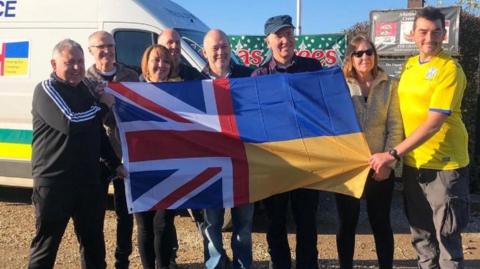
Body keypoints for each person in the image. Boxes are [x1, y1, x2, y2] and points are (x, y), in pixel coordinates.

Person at [370, 7, 470, 269]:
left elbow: (433, 124)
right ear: (412, 34)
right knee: (421, 236)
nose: (430, 38)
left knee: (447, 238)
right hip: (415, 164)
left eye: (436, 31)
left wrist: (392, 154)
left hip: (445, 166)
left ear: (444, 33)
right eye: (423, 31)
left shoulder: (449, 69)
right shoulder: (411, 64)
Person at [28, 39, 125, 269]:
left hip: (87, 183)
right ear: (54, 64)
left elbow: (96, 132)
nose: (76, 67)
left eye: (80, 62)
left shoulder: (84, 89)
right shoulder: (46, 89)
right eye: (69, 62)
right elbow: (71, 122)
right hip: (54, 183)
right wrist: (103, 106)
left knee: (93, 246)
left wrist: (114, 163)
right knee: (46, 246)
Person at [251, 15, 323, 269]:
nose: (285, 40)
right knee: (276, 222)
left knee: (307, 223)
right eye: (279, 36)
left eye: (289, 34)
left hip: (307, 163)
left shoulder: (312, 69)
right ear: (268, 41)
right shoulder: (258, 77)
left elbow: (327, 107)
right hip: (275, 164)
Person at [335, 35, 403, 269]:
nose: (365, 57)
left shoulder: (390, 85)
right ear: (351, 59)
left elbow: (395, 126)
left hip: (380, 167)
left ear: (375, 54)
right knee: (347, 224)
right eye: (358, 53)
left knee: (381, 223)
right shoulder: (340, 85)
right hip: (349, 169)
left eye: (369, 52)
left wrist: (388, 162)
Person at [200, 29, 254, 269]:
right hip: (210, 162)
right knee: (211, 222)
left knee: (243, 222)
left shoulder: (249, 76)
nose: (220, 52)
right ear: (204, 52)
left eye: (224, 46)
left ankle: (243, 264)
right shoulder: (193, 81)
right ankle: (215, 264)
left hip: (244, 160)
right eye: (215, 48)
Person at [85, 30, 138, 269]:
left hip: (125, 153)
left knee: (125, 215)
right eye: (100, 46)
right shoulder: (84, 81)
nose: (106, 50)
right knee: (93, 215)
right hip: (96, 157)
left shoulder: (131, 76)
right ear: (91, 51)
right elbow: (86, 122)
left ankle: (122, 261)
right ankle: (95, 262)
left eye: (110, 45)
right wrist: (101, 103)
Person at [134, 44, 177, 269]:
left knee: (163, 223)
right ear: (146, 64)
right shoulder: (132, 93)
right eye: (156, 60)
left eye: (166, 61)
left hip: (170, 167)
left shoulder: (180, 92)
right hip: (140, 168)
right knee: (144, 225)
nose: (161, 65)